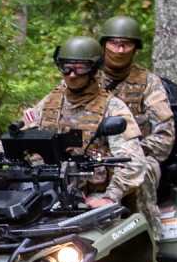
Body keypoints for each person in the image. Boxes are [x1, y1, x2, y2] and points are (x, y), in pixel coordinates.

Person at [18, 36, 148, 211]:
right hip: (44, 189)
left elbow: (133, 163)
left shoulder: (113, 108)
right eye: (67, 67)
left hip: (90, 194)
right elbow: (18, 135)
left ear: (93, 70)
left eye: (80, 68)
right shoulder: (50, 102)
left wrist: (110, 196)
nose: (72, 74)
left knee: (96, 223)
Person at [97, 15, 174, 240]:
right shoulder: (88, 78)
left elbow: (164, 136)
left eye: (126, 44)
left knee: (144, 173)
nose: (119, 50)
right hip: (94, 155)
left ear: (135, 48)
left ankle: (149, 244)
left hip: (137, 156)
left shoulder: (149, 83)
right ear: (104, 45)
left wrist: (132, 154)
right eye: (114, 43)